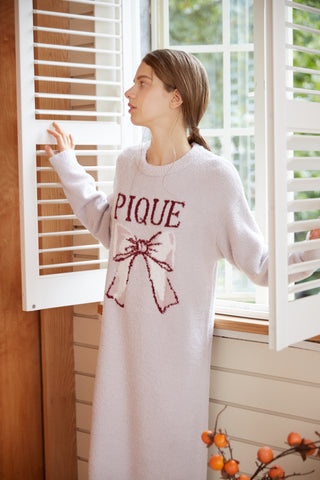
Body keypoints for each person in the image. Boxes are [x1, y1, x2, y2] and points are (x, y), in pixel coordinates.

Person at [45, 49, 320, 480]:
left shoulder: (213, 177)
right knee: (113, 459)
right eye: (133, 82)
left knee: (167, 462)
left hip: (175, 359)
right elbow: (107, 225)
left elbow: (261, 264)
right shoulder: (128, 164)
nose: (128, 92)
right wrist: (68, 165)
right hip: (120, 348)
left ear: (176, 97)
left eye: (143, 83)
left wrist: (309, 249)